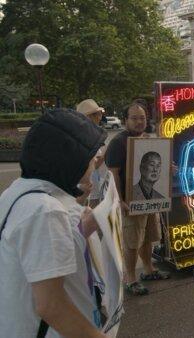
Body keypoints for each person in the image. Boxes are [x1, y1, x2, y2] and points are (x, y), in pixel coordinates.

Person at [0, 109, 108, 337]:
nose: (95, 164)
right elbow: (52, 305)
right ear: (70, 162)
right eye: (90, 159)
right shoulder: (45, 212)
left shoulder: (20, 192)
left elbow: (45, 250)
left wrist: (90, 220)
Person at [105, 103, 169, 296]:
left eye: (142, 117)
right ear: (126, 120)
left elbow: (158, 167)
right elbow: (113, 174)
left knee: (147, 237)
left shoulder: (147, 139)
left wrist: (168, 169)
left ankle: (149, 270)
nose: (139, 121)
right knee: (132, 241)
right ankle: (130, 279)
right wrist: (120, 200)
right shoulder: (118, 142)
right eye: (134, 118)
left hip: (148, 199)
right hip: (130, 201)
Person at [77, 99, 108, 207]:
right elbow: (95, 164)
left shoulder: (90, 133)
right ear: (89, 117)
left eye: (99, 114)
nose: (99, 117)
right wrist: (108, 151)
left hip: (96, 186)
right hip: (90, 189)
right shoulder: (85, 137)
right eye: (96, 114)